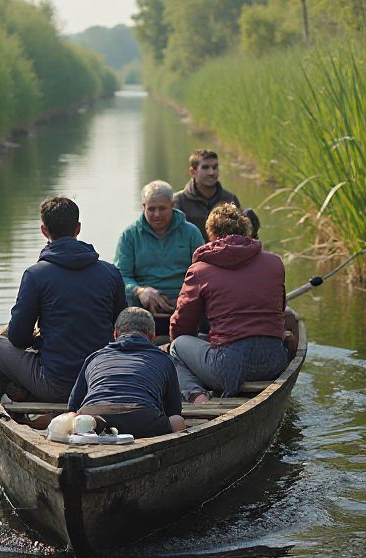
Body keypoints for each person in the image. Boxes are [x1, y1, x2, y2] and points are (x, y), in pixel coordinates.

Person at [0, 196, 126, 402]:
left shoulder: (35, 275)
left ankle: (18, 396)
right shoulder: (111, 272)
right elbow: (121, 329)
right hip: (101, 380)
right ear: (78, 228)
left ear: (44, 230)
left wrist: (38, 340)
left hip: (57, 387)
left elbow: (18, 338)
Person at [169, 203, 289, 402]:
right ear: (246, 230)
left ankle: (197, 398)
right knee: (201, 338)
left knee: (177, 345)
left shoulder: (200, 270)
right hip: (274, 361)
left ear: (211, 234)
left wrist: (180, 340)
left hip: (228, 368)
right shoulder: (275, 262)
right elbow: (280, 309)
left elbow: (183, 325)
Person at [68, 306, 187, 437]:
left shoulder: (94, 357)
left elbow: (73, 406)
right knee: (178, 421)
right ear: (153, 337)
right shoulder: (164, 359)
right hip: (140, 418)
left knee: (73, 417)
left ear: (115, 334)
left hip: (93, 416)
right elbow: (174, 411)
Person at [114, 180, 204, 317]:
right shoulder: (129, 236)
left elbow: (203, 272)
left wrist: (186, 296)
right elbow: (121, 276)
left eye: (162, 208)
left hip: (184, 300)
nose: (157, 214)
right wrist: (139, 291)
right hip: (142, 303)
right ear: (143, 207)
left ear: (172, 205)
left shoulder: (191, 233)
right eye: (151, 209)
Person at [173, 149, 241, 237]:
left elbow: (241, 235)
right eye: (205, 167)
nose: (211, 172)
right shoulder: (178, 201)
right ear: (193, 171)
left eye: (215, 167)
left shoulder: (230, 199)